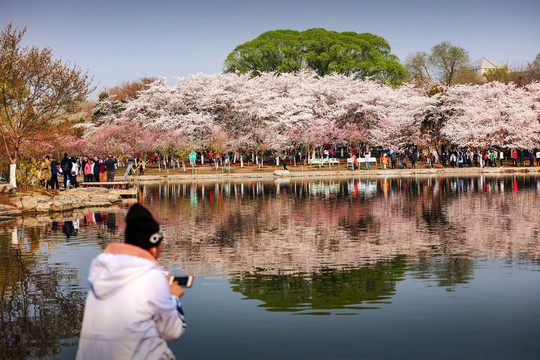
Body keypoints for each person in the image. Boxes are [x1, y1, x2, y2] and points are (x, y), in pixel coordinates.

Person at [76, 203, 186, 359]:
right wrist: (173, 298)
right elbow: (173, 332)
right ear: (153, 246)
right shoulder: (151, 276)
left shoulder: (101, 271)